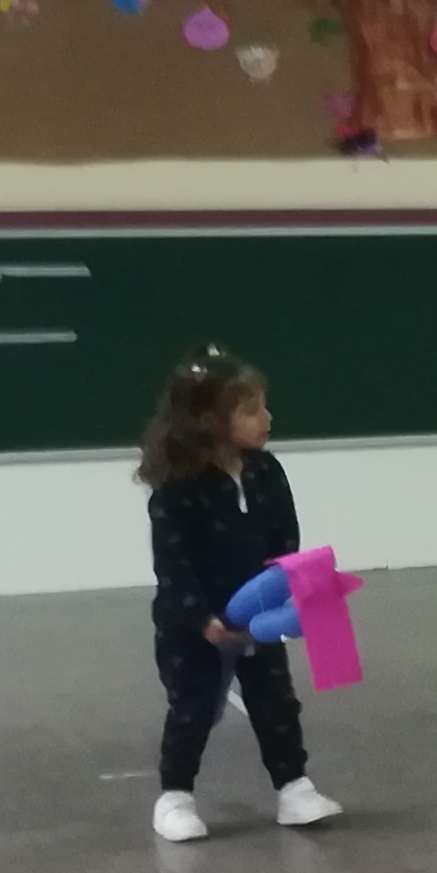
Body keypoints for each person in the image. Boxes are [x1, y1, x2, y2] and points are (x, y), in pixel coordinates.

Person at [139, 347, 344, 841]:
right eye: (251, 410)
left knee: (275, 700)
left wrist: (284, 600)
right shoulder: (177, 486)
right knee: (193, 707)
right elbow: (172, 564)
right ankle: (175, 797)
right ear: (210, 420)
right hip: (193, 624)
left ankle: (293, 787)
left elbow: (285, 541)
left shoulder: (265, 472)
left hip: (257, 615)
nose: (266, 419)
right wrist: (203, 619)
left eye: (263, 407)